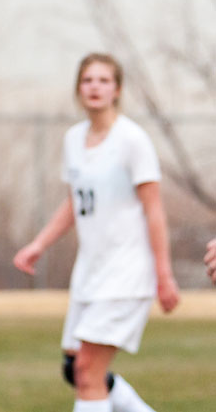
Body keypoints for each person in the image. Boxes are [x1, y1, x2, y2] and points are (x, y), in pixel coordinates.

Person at [13, 53, 181, 412]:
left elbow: (154, 210)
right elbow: (75, 201)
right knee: (75, 369)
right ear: (78, 88)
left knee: (88, 370)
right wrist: (38, 245)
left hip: (126, 272)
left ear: (117, 90)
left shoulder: (132, 140)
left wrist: (164, 275)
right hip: (91, 271)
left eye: (104, 80)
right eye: (88, 80)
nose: (95, 87)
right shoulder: (74, 139)